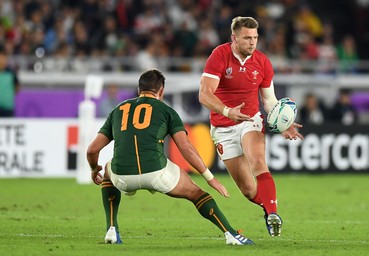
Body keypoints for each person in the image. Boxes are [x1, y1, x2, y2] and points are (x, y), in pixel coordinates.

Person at [87, 69, 253, 245]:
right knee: (196, 193)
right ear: (161, 91)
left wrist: (92, 169)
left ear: (138, 90)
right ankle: (231, 235)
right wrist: (210, 178)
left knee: (107, 169)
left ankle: (112, 230)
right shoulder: (167, 111)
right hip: (157, 174)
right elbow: (186, 148)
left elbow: (92, 150)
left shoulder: (117, 110)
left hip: (123, 178)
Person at [199, 16, 304, 237]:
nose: (252, 42)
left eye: (255, 37)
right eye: (247, 38)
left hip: (251, 120)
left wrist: (282, 123)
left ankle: (273, 214)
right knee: (248, 190)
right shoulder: (219, 55)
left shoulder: (263, 62)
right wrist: (228, 111)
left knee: (258, 162)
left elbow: (269, 100)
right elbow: (205, 94)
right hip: (223, 127)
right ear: (234, 38)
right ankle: (268, 208)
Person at [0, 51, 20, 117]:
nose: (1, 61)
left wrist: (7, 95)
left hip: (7, 107)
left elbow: (17, 86)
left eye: (3, 58)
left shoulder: (11, 73)